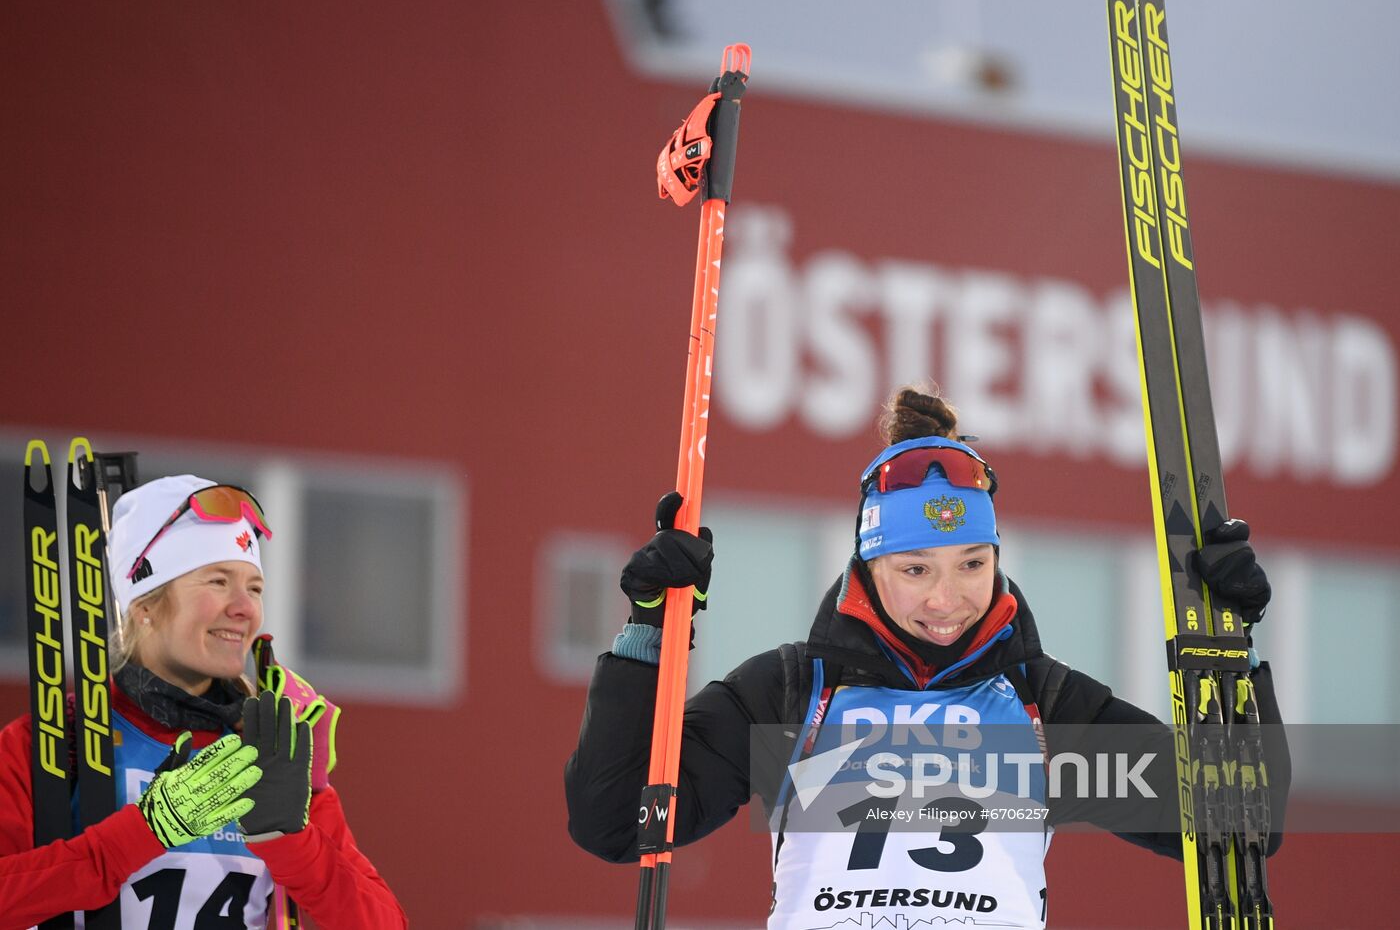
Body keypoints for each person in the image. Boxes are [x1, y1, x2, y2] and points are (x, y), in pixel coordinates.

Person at [566, 385, 1288, 929]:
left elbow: (1237, 822)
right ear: (868, 565)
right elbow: (613, 820)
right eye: (916, 570)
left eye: (972, 564)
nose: (948, 599)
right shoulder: (792, 694)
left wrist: (1232, 650)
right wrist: (650, 632)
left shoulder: (1044, 707)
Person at [0, 475, 408, 928]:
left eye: (254, 588)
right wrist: (143, 833)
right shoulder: (57, 741)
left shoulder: (271, 748)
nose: (244, 608)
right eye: (217, 581)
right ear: (145, 604)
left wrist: (291, 840)